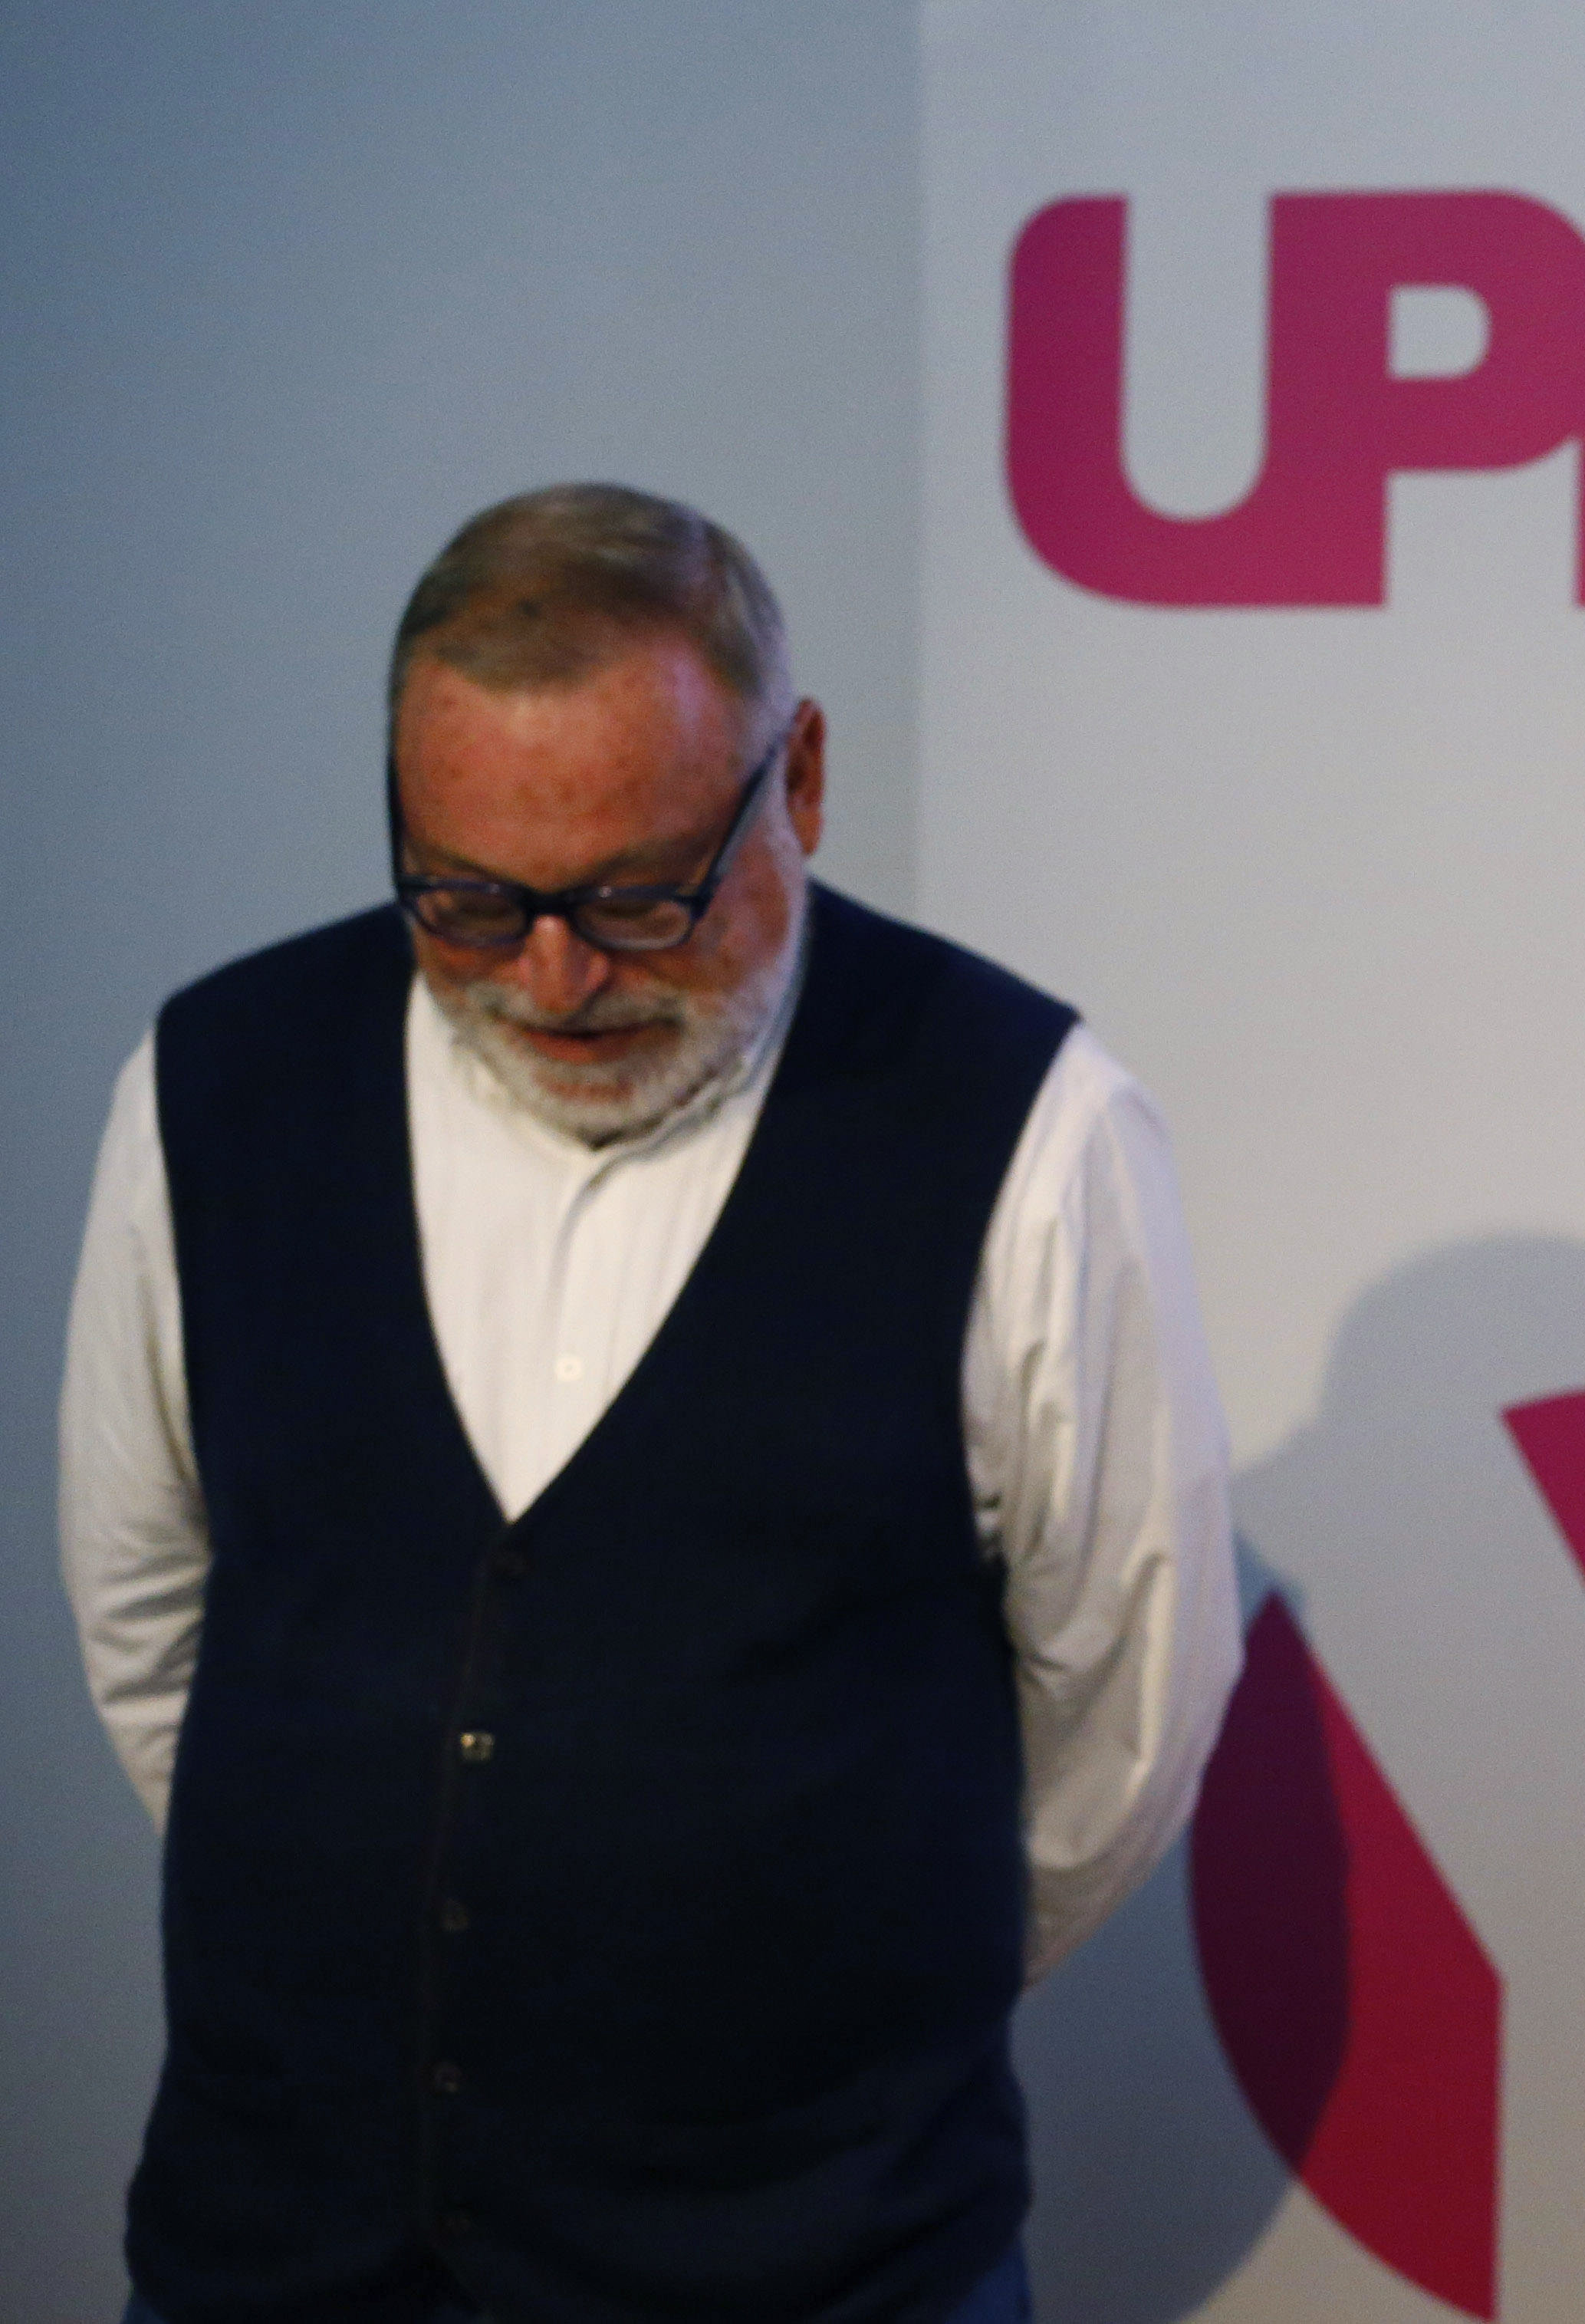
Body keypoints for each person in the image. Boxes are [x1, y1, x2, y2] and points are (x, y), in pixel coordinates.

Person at [58, 483, 1245, 2324]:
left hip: (826, 2268)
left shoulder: (1026, 1121)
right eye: (464, 897)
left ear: (807, 782)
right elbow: (155, 1629)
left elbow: (1129, 1700)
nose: (553, 975)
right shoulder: (217, 1086)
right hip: (270, 2253)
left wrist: (820, 1986)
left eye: (636, 894)